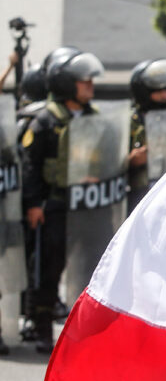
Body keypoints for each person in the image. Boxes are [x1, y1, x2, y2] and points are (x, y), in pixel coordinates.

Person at [21, 49, 105, 353]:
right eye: (84, 81)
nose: (90, 86)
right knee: (49, 268)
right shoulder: (45, 120)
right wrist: (32, 204)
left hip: (90, 206)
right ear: (67, 84)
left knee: (90, 269)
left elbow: (106, 157)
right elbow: (30, 165)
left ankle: (86, 332)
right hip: (55, 206)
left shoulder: (96, 118)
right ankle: (43, 329)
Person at [126, 58, 166, 212]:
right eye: (158, 91)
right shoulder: (131, 122)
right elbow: (112, 164)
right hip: (140, 193)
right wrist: (133, 159)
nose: (165, 95)